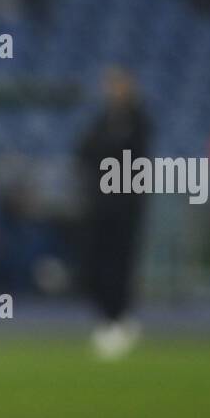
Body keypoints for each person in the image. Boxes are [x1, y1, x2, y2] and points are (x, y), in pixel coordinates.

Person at [76, 67, 150, 360]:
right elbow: (83, 150)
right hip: (100, 205)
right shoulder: (101, 121)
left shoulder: (138, 121)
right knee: (95, 264)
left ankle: (119, 319)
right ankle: (107, 316)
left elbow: (132, 156)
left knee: (121, 263)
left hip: (126, 205)